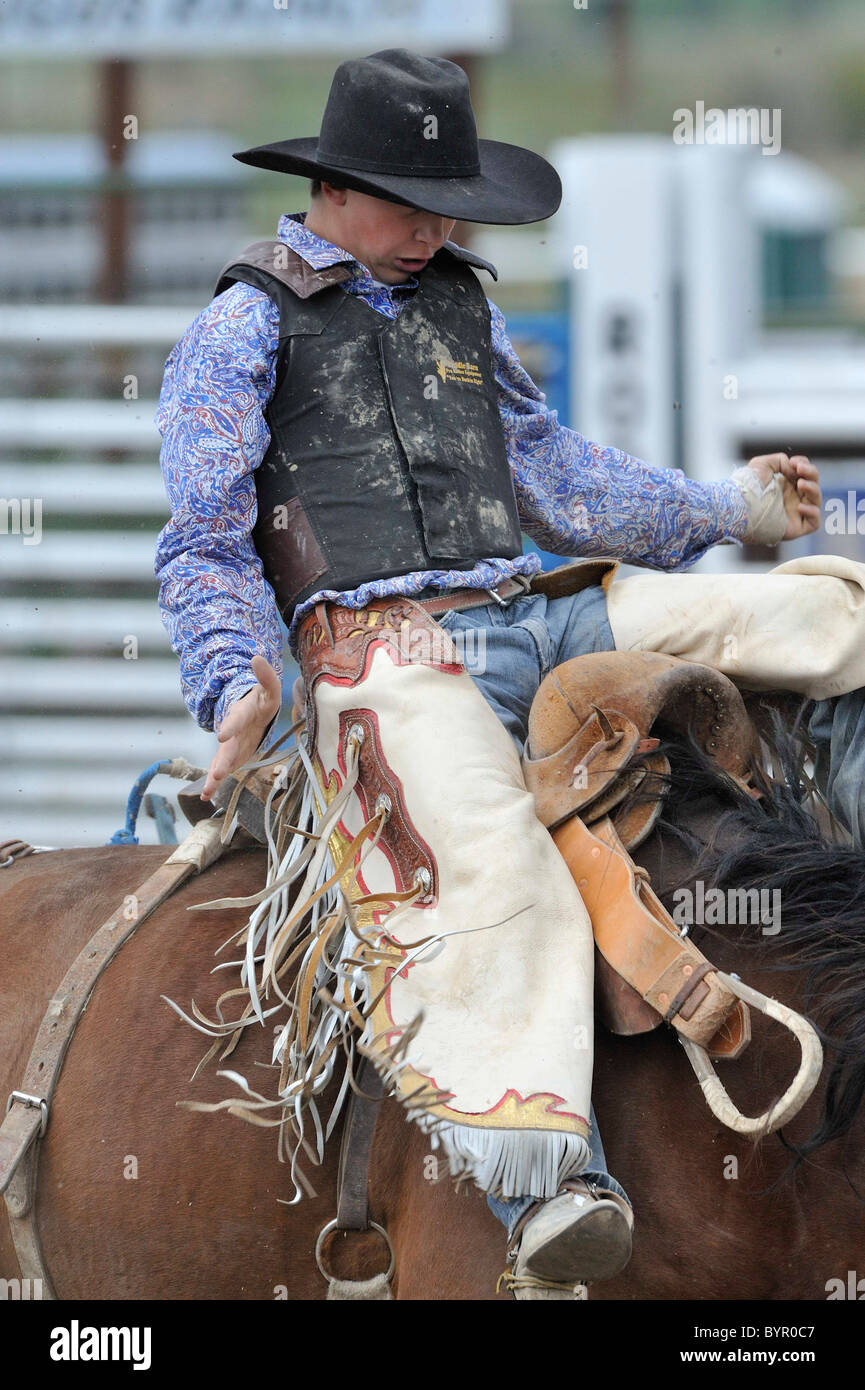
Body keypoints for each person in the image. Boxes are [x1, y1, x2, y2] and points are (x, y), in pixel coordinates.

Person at [155, 48, 865, 1296]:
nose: (433, 227)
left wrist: (730, 507)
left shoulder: (459, 308)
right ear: (330, 185)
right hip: (380, 658)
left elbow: (556, 475)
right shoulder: (241, 325)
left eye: (447, 204)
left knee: (822, 619)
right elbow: (205, 535)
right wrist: (238, 684)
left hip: (534, 610)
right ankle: (549, 1177)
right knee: (490, 856)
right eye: (408, 200)